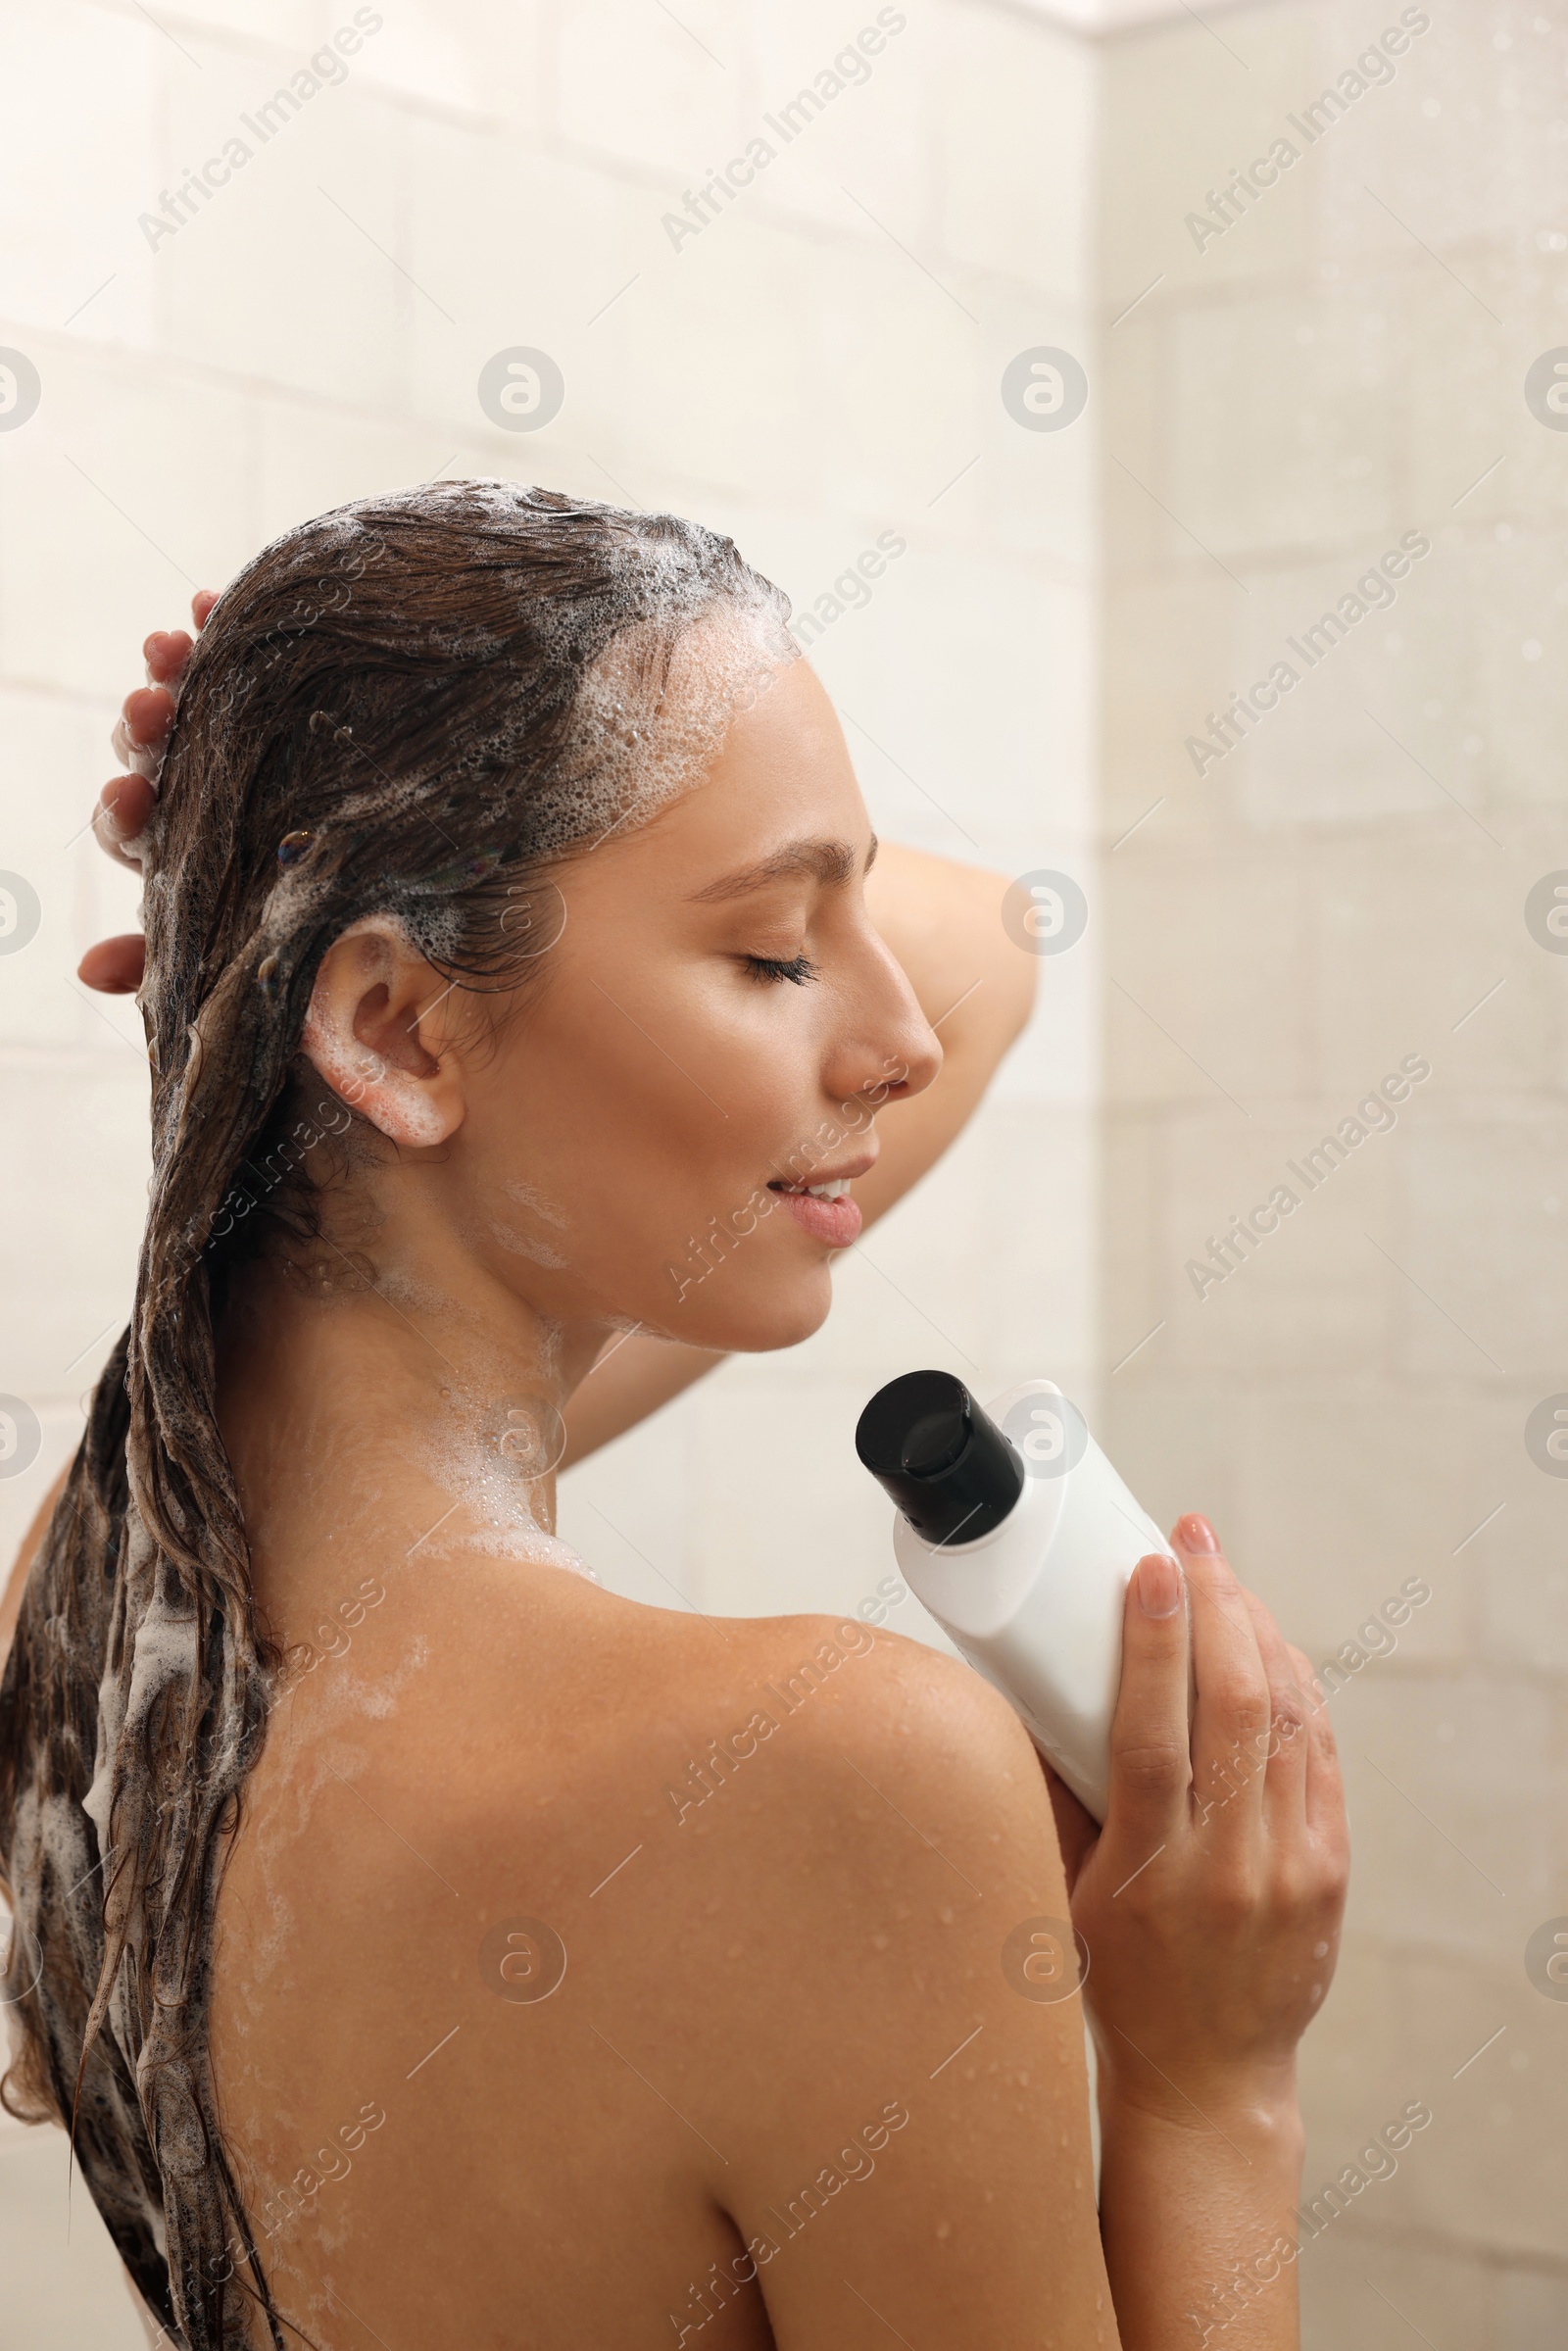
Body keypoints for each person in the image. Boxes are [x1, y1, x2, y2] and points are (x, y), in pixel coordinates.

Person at [0, 482, 1348, 2351]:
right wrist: (1217, 2081)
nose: (903, 1038)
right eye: (779, 955)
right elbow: (982, 966)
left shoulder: (92, 1631)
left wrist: (283, 860)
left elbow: (980, 962)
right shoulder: (840, 1779)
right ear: (392, 1032)